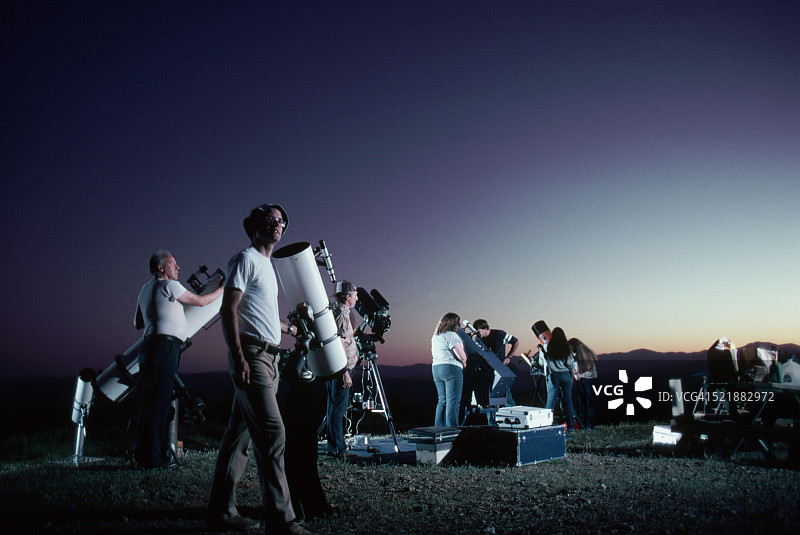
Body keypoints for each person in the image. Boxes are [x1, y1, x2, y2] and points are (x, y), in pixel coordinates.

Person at [205, 203, 315, 535]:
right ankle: (282, 522)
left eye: (282, 221)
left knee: (237, 437)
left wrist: (289, 328)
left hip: (270, 357)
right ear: (253, 227)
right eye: (270, 220)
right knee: (272, 433)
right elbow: (229, 308)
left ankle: (221, 513)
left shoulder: (267, 266)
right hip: (251, 356)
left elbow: (260, 313)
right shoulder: (245, 259)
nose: (278, 225)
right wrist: (238, 356)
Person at [133, 250, 223, 469]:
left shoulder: (145, 289)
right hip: (164, 348)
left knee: (149, 404)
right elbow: (201, 302)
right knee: (160, 405)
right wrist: (223, 289)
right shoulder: (169, 286)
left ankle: (144, 457)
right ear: (160, 268)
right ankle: (154, 461)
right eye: (173, 264)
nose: (178, 268)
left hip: (149, 349)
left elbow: (138, 323)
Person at [325, 280, 361, 457]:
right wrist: (344, 372)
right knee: (337, 410)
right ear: (347, 297)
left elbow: (345, 337)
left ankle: (336, 447)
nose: (357, 297)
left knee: (335, 408)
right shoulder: (340, 313)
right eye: (354, 294)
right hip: (341, 369)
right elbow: (338, 344)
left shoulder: (340, 312)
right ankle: (337, 450)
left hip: (340, 367)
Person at [531, 321, 576, 431]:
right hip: (566, 375)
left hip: (553, 376)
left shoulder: (546, 346)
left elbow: (541, 363)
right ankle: (571, 428)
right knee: (568, 402)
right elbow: (571, 364)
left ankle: (548, 427)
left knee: (550, 403)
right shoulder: (567, 347)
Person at [431, 313, 468, 427]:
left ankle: (438, 430)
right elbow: (461, 355)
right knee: (453, 402)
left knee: (442, 401)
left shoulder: (436, 336)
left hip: (436, 368)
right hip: (451, 369)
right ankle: (451, 432)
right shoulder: (452, 335)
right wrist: (464, 361)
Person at [473, 318, 520, 405]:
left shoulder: (499, 334)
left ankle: (510, 413)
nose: (477, 334)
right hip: (488, 371)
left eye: (478, 331)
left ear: (485, 328)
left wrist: (508, 357)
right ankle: (495, 415)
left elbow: (516, 342)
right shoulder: (478, 339)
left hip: (501, 369)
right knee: (492, 397)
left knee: (505, 395)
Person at [570, 337, 598, 430]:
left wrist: (578, 373)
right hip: (580, 379)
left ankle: (590, 425)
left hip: (589, 378)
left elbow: (589, 366)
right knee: (581, 402)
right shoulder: (574, 354)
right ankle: (582, 424)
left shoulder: (586, 353)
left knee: (590, 401)